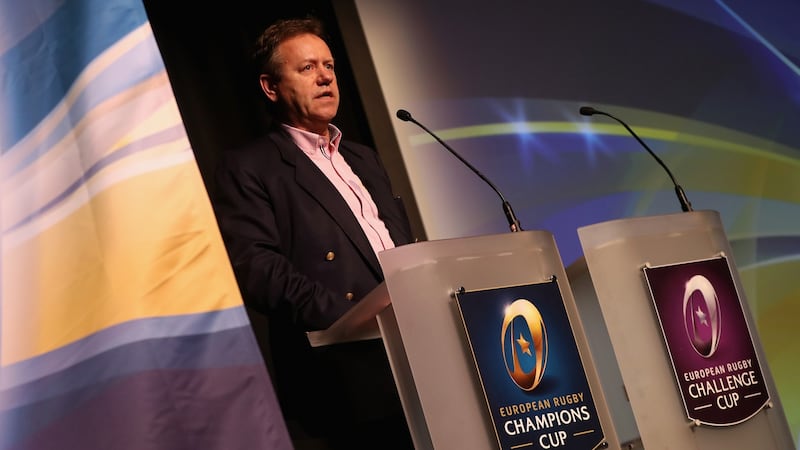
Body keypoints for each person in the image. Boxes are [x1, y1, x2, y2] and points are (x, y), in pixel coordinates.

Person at [211, 16, 415, 449]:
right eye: (307, 68)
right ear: (270, 87)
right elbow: (258, 269)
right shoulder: (251, 167)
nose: (325, 77)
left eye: (330, 66)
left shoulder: (363, 158)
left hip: (417, 351)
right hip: (346, 373)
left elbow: (399, 246)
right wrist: (353, 316)